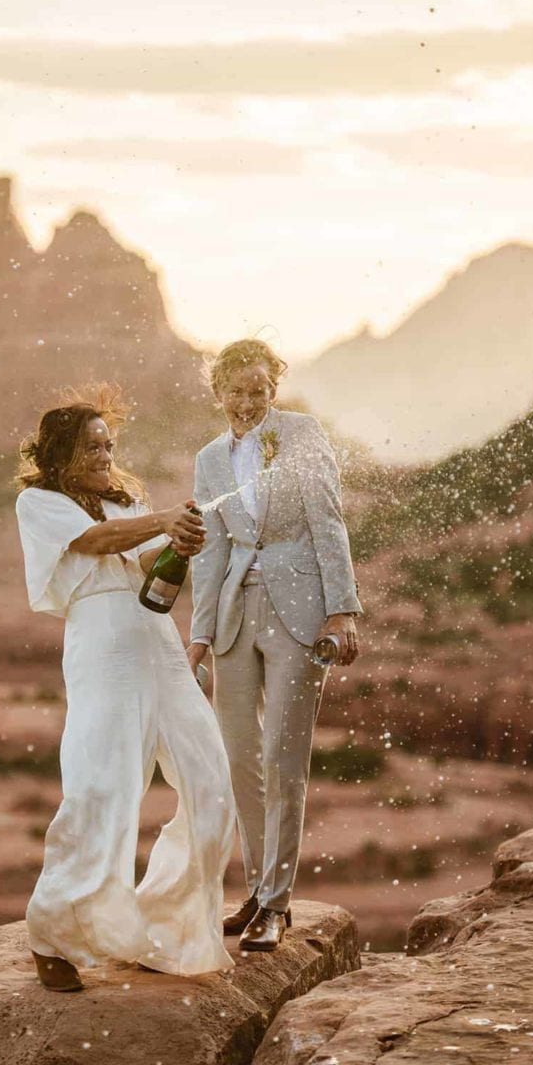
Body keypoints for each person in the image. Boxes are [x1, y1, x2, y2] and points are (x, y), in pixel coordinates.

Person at [15, 387, 235, 991]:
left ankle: (165, 924)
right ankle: (54, 934)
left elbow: (138, 564)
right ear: (60, 451)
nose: (106, 453)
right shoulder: (38, 502)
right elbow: (94, 545)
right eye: (92, 445)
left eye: (109, 444)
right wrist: (160, 520)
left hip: (156, 638)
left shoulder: (125, 501)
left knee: (211, 779)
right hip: (102, 642)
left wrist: (175, 544)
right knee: (101, 787)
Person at [187, 340, 362, 953]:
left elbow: (328, 520)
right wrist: (200, 635)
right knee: (239, 758)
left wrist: (341, 612)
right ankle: (256, 889)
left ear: (273, 388)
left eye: (258, 388)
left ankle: (277, 905)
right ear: (218, 394)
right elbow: (211, 550)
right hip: (235, 613)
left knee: (283, 757)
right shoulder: (209, 458)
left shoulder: (303, 434)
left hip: (302, 612)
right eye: (235, 390)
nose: (247, 401)